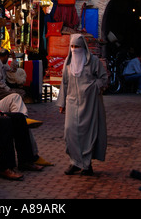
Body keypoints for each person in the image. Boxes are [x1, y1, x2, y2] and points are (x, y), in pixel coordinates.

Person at [57, 33, 108, 176]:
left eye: (77, 46)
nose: (74, 49)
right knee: (70, 133)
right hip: (72, 102)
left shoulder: (93, 61)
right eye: (72, 46)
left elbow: (103, 78)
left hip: (89, 104)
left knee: (87, 134)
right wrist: (62, 103)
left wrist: (93, 87)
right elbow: (64, 83)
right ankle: (74, 162)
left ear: (83, 47)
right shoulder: (68, 62)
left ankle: (86, 165)